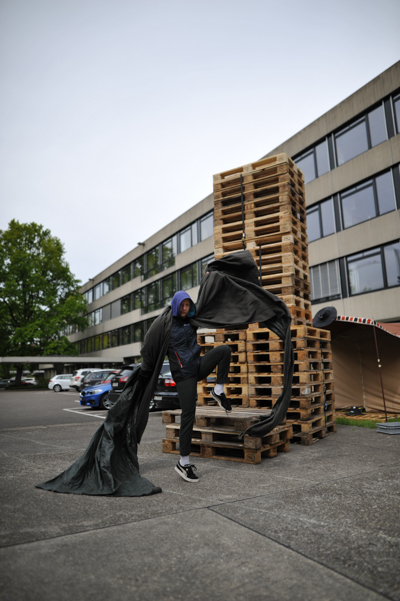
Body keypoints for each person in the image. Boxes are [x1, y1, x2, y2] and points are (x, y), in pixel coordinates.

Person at [167, 290, 232, 483]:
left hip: (196, 366)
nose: (185, 308)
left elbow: (208, 307)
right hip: (183, 375)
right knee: (188, 415)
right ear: (176, 305)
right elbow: (153, 347)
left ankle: (218, 390)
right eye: (182, 305)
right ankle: (183, 462)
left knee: (224, 350)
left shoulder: (191, 321)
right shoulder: (167, 325)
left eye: (187, 305)